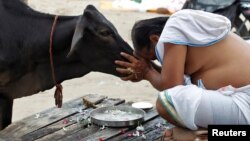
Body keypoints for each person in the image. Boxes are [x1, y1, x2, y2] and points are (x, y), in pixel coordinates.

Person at [115, 9, 250, 137]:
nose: (161, 61)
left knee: (165, 102)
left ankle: (201, 136)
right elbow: (173, 81)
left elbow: (172, 88)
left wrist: (147, 72)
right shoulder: (192, 42)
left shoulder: (175, 25)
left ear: (155, 39)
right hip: (242, 108)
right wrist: (148, 70)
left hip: (245, 103)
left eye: (154, 57)